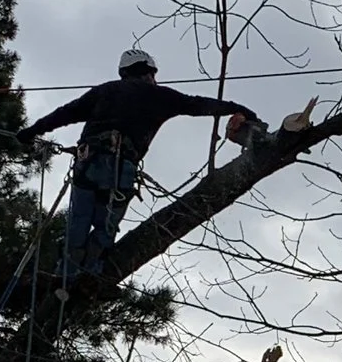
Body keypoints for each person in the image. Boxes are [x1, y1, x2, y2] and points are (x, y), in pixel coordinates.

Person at [26, 48, 258, 282]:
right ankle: (89, 275)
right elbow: (199, 105)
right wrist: (238, 108)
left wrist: (32, 131)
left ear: (124, 72)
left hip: (88, 164)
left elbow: (63, 114)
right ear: (148, 72)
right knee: (105, 228)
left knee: (77, 224)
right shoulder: (160, 96)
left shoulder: (104, 91)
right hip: (120, 170)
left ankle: (65, 276)